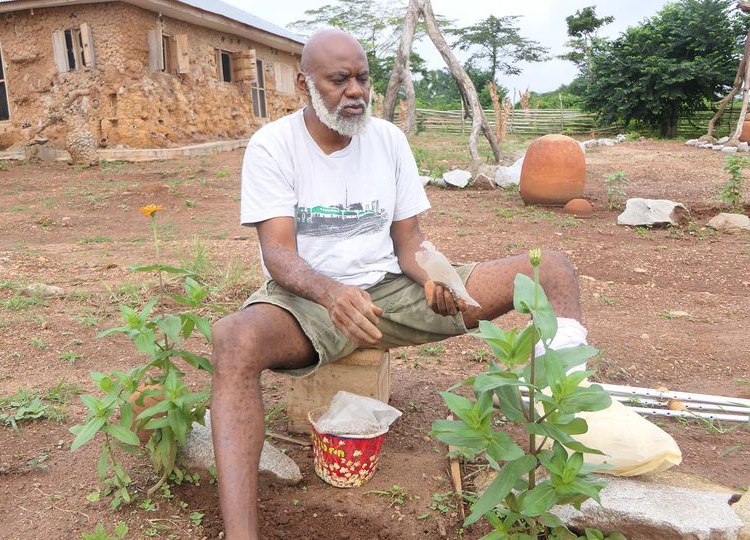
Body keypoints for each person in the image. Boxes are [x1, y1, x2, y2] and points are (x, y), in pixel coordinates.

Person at [210, 29, 585, 540]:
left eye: (362, 78)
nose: (356, 91)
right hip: (307, 303)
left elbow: (409, 239)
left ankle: (565, 426)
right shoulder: (273, 146)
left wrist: (435, 275)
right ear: (305, 83)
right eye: (339, 79)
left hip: (392, 293)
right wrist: (330, 293)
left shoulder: (387, 141)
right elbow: (278, 252)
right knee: (234, 339)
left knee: (552, 270)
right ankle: (241, 533)